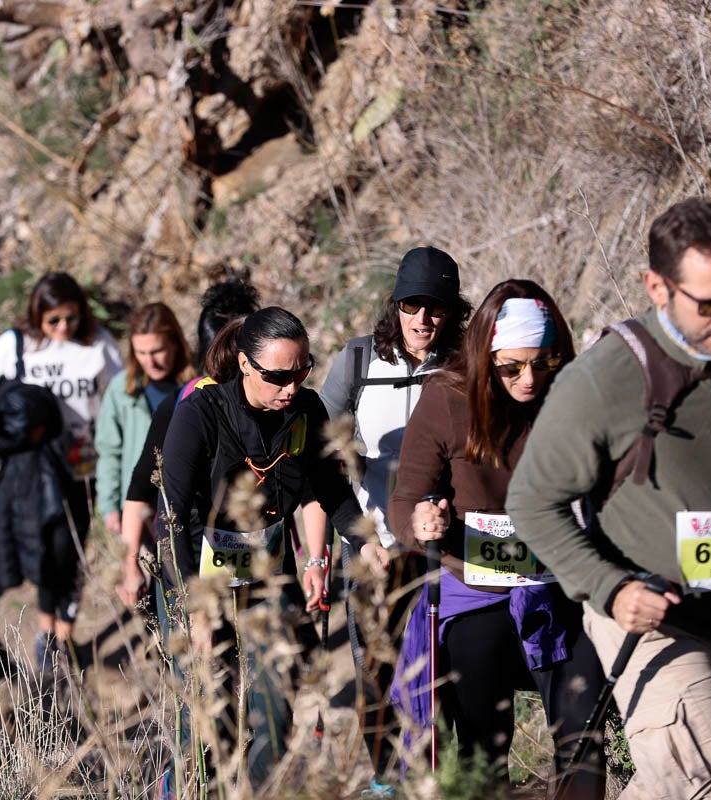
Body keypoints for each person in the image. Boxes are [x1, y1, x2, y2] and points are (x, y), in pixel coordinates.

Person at [507, 198, 711, 799]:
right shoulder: (606, 378)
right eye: (710, 304)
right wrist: (611, 588)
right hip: (651, 622)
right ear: (657, 287)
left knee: (676, 784)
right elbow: (532, 501)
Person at [388, 280, 605, 799]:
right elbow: (406, 499)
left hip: (560, 588)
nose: (529, 379)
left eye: (543, 363)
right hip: (475, 590)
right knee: (483, 747)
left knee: (584, 739)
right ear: (486, 358)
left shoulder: (572, 393)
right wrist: (421, 522)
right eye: (511, 367)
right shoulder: (447, 397)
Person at [160, 307, 390, 787]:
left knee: (275, 704)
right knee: (208, 714)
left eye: (302, 372)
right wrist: (192, 610)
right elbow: (171, 521)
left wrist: (362, 540)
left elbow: (330, 487)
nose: (291, 387)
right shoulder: (198, 414)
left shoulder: (305, 410)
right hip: (197, 578)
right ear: (245, 364)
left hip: (265, 577)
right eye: (278, 377)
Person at [317, 245, 471, 795]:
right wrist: (349, 532)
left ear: (453, 311)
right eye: (411, 306)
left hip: (446, 544)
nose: (422, 319)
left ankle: (450, 774)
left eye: (436, 307)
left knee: (447, 664)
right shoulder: (359, 361)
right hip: (374, 540)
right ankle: (386, 780)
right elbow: (321, 451)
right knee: (376, 668)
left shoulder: (466, 365)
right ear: (395, 305)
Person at [0, 272, 123, 669]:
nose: (62, 328)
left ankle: (65, 635)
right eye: (53, 320)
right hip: (36, 471)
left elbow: (120, 393)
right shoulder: (17, 345)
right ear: (37, 315)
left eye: (71, 318)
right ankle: (45, 632)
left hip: (83, 467)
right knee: (44, 551)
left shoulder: (97, 344)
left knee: (71, 551)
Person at [115, 279, 260, 607]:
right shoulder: (185, 404)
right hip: (193, 564)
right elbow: (141, 486)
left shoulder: (280, 401)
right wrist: (130, 565)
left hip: (258, 562)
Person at [95, 302, 193, 538]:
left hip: (184, 508)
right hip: (136, 509)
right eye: (141, 353)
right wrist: (109, 506)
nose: (150, 361)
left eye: (157, 351)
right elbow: (109, 451)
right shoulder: (121, 389)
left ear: (175, 343)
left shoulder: (196, 387)